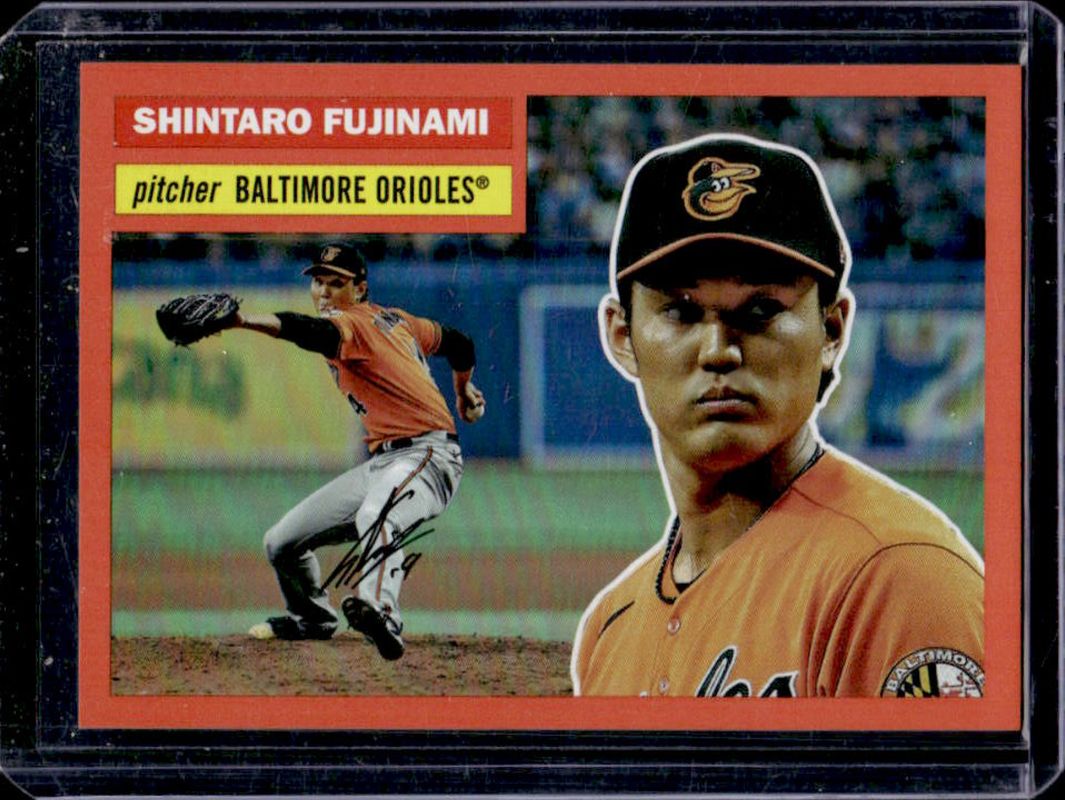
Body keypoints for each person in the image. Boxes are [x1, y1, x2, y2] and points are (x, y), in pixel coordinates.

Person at [571, 134, 984, 697]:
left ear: (832, 331)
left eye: (762, 309)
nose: (718, 350)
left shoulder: (898, 578)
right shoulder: (611, 628)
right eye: (681, 311)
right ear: (622, 337)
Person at [231, 243, 485, 659]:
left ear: (360, 289)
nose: (324, 292)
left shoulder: (353, 324)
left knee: (376, 515)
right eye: (318, 282)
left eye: (337, 283)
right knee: (281, 543)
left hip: (429, 458)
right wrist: (463, 390)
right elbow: (460, 343)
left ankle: (383, 614)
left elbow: (309, 331)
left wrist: (243, 320)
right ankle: (313, 618)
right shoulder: (399, 321)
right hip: (386, 464)